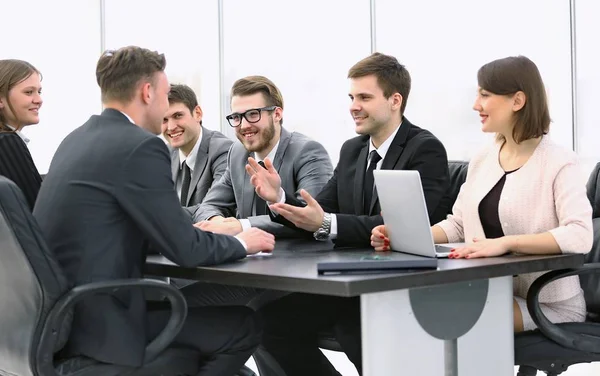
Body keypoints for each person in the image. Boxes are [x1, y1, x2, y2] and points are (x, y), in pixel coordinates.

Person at [33, 46, 275, 376]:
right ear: (147, 92)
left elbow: (109, 227)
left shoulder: (74, 140)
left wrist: (183, 234)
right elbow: (185, 250)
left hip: (62, 322)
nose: (165, 110)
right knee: (244, 324)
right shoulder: (139, 146)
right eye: (164, 96)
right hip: (105, 327)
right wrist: (243, 242)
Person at [252, 52, 450, 375]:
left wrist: (327, 223)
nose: (353, 106)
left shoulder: (425, 150)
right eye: (351, 97)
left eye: (364, 97)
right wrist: (281, 199)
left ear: (395, 100)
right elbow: (321, 209)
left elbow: (400, 227)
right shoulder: (353, 150)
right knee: (262, 319)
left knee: (352, 328)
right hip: (351, 285)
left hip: (398, 287)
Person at [372, 55, 593, 333]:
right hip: (495, 291)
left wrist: (506, 243)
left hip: (548, 304)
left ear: (518, 101)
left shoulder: (560, 162)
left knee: (450, 320)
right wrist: (403, 235)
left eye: (485, 95)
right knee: (411, 311)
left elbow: (580, 235)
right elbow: (458, 224)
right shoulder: (484, 158)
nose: (476, 105)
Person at [191, 75, 333, 238]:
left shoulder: (308, 151)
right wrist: (218, 223)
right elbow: (208, 205)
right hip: (249, 256)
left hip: (298, 259)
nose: (244, 126)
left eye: (253, 114)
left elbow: (310, 217)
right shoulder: (237, 153)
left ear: (277, 114)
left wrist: (242, 226)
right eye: (237, 117)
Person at [163, 83, 233, 207]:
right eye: (164, 120)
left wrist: (164, 216)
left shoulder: (223, 150)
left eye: (178, 116)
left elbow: (213, 207)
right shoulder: (164, 153)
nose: (171, 127)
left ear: (198, 113)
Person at [0, 59, 43, 210]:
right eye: (28, 92)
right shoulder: (7, 142)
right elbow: (36, 209)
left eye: (39, 91)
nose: (39, 100)